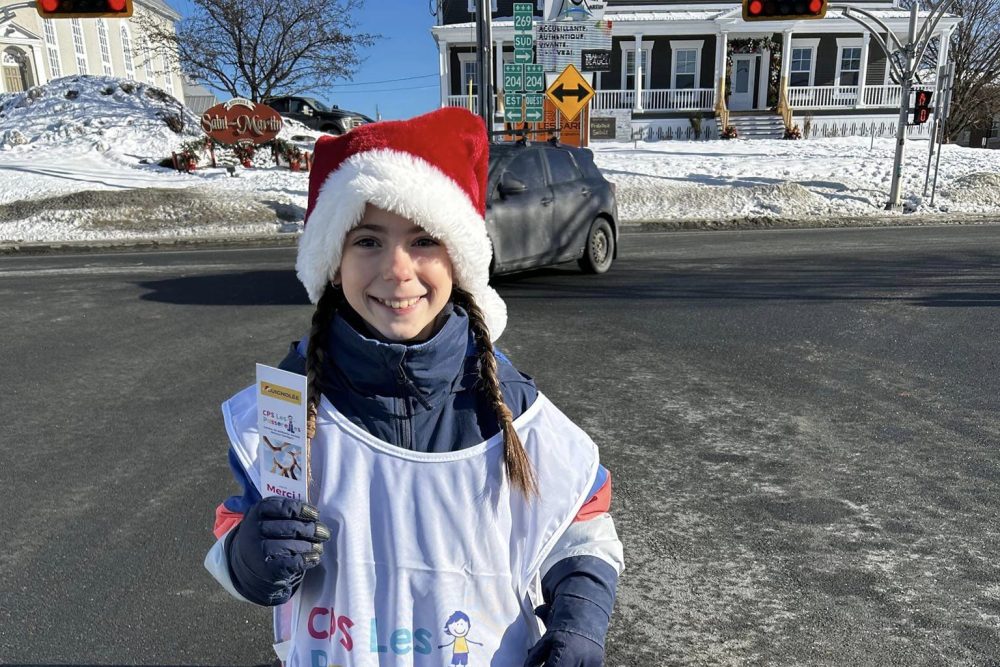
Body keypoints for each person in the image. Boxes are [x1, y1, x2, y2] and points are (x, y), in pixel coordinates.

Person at [204, 107, 624, 667]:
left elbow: (580, 524)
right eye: (368, 241)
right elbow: (236, 534)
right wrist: (251, 557)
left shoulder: (509, 404)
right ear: (333, 262)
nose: (398, 270)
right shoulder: (287, 406)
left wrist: (580, 618)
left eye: (424, 240)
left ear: (459, 259)